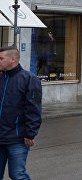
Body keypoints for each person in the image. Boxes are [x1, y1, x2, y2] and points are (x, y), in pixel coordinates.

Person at [0, 46, 42, 180]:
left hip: (17, 138)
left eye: (1, 58)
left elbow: (34, 108)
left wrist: (30, 133)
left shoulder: (30, 79)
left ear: (13, 59)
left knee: (17, 175)